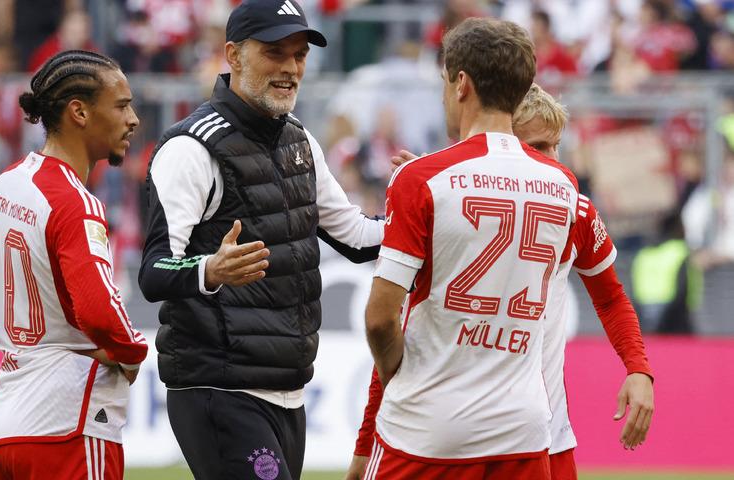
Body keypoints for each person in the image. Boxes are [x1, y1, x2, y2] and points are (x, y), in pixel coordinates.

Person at [347, 84, 655, 480]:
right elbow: (398, 332)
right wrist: (367, 438)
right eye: (538, 147)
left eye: (555, 146)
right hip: (447, 433)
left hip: (542, 436)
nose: (551, 161)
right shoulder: (446, 208)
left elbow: (611, 298)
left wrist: (638, 368)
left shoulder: (573, 210)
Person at [138, 0, 384, 478]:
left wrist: (430, 212)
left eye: (299, 56)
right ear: (233, 56)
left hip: (289, 391)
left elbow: (354, 237)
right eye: (275, 53)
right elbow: (153, 270)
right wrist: (209, 269)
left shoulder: (299, 140)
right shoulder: (190, 148)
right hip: (219, 388)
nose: (291, 69)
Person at [362, 18, 579, 479]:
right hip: (523, 428)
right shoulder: (562, 185)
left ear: (461, 83)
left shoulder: (422, 178)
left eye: (444, 80)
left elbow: (381, 318)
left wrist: (398, 373)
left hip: (429, 429)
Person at [0, 50, 146, 480]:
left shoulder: (3, 186)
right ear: (79, 111)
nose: (133, 119)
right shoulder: (75, 201)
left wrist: (32, 338)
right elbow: (98, 311)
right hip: (67, 427)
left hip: (2, 429)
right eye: (121, 105)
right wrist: (132, 353)